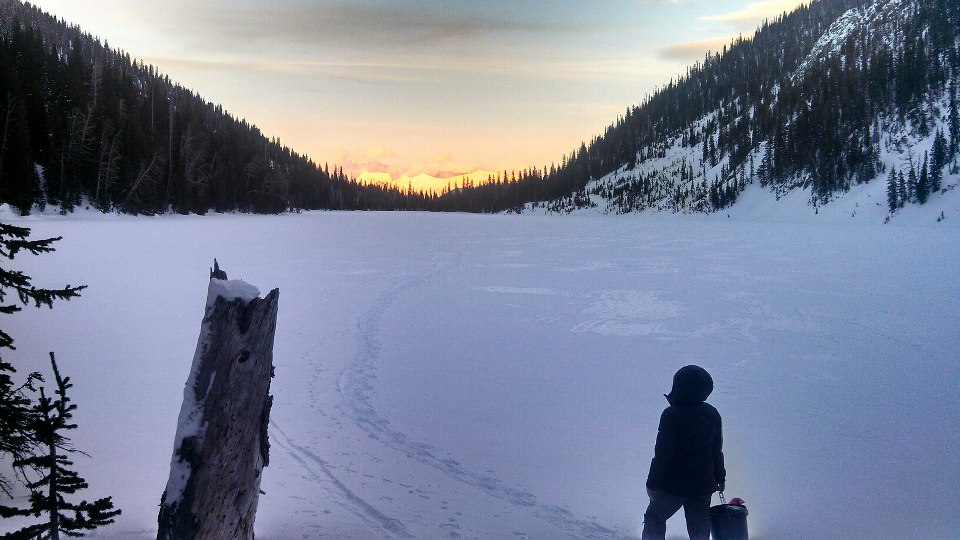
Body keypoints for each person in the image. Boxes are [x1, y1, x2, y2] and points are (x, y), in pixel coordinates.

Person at [642, 365, 725, 540]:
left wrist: (652, 483)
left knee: (654, 517)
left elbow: (663, 456)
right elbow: (716, 451)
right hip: (703, 485)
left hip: (674, 487)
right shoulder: (712, 413)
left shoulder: (671, 415)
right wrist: (720, 477)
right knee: (699, 528)